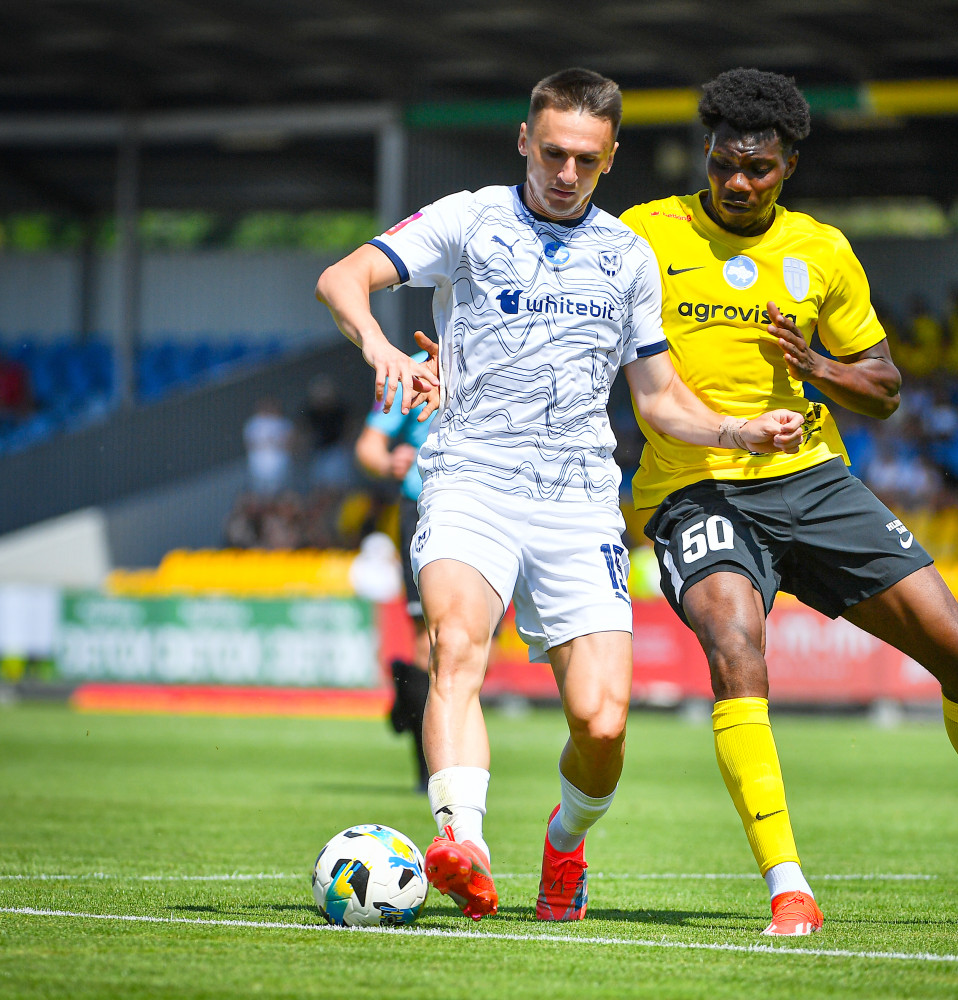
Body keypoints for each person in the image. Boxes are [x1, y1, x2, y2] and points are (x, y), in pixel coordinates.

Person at [620, 67, 958, 936]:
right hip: (696, 486)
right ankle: (788, 885)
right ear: (706, 152)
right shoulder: (643, 233)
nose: (739, 181)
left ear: (789, 165)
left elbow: (884, 389)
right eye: (725, 163)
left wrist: (818, 367)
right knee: (735, 643)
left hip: (813, 480)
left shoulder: (823, 251)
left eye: (759, 168)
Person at [315, 68, 803, 924]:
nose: (565, 172)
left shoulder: (628, 256)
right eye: (551, 153)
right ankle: (463, 841)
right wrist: (379, 347)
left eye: (585, 158)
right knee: (456, 646)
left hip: (579, 502)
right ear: (524, 141)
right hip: (470, 476)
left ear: (610, 158)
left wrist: (739, 431)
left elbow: (657, 397)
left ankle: (565, 839)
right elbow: (342, 277)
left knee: (603, 724)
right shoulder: (468, 220)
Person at [355, 351, 438, 794]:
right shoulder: (412, 369)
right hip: (425, 509)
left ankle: (409, 694)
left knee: (477, 649)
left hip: (494, 509)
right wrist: (389, 463)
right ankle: (430, 772)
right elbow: (368, 447)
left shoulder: (512, 347)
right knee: (432, 637)